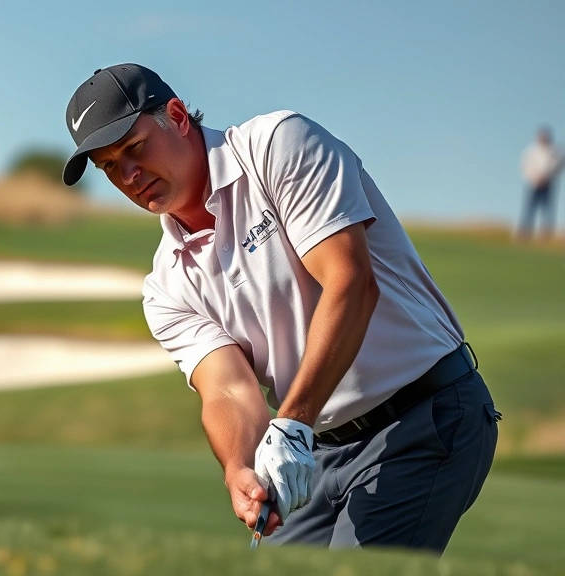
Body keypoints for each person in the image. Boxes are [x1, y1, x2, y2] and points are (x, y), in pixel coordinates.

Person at [61, 64, 500, 552]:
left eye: (134, 148)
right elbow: (227, 390)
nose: (128, 176)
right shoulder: (166, 286)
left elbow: (351, 283)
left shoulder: (277, 145)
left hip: (423, 414)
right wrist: (238, 468)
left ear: (178, 116)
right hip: (316, 448)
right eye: (109, 167)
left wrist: (292, 423)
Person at [518, 127, 563, 241]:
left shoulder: (555, 151)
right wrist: (534, 178)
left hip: (548, 183)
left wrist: (546, 176)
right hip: (533, 184)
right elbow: (524, 167)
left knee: (547, 209)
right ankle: (525, 233)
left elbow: (558, 166)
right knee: (529, 208)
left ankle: (545, 235)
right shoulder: (531, 151)